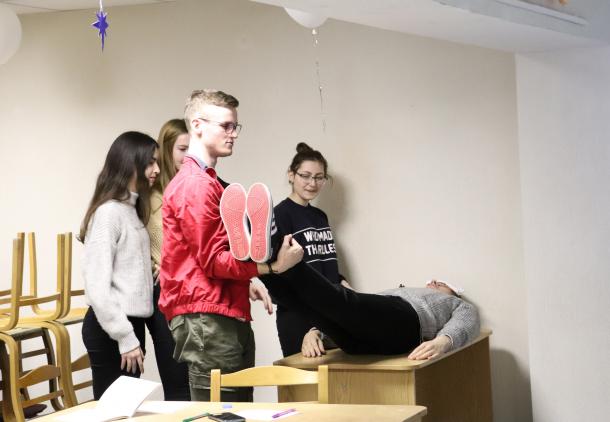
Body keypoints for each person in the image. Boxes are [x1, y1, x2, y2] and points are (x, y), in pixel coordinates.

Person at [219, 186, 481, 360]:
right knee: (308, 307)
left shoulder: (451, 303)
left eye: (442, 284)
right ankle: (258, 256)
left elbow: (469, 316)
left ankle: (270, 244)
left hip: (408, 325)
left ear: (452, 294)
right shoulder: (400, 293)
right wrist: (316, 332)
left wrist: (444, 341)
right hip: (360, 344)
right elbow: (352, 316)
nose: (432, 282)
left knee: (340, 300)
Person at [158, 89, 302, 401]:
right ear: (197, 126)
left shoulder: (209, 182)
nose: (233, 134)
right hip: (207, 317)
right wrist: (272, 267)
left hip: (221, 310)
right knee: (219, 413)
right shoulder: (195, 185)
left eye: (235, 126)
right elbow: (213, 261)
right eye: (226, 126)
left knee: (237, 409)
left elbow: (210, 256)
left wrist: (248, 279)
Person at [80, 131, 160, 399]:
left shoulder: (131, 210)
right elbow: (96, 287)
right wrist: (124, 336)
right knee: (113, 412)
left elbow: (128, 269)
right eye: (150, 162)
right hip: (111, 329)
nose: (156, 170)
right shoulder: (109, 213)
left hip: (128, 326)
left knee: (125, 411)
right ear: (130, 163)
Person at [272, 142, 353, 357]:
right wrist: (309, 325)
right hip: (298, 316)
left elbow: (322, 262)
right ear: (291, 175)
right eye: (305, 176)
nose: (312, 183)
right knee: (303, 378)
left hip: (329, 311)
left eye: (319, 177)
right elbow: (279, 275)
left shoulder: (320, 216)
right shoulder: (280, 215)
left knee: (335, 376)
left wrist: (341, 282)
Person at [144, 119, 190, 400]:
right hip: (165, 298)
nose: (188, 156)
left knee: (202, 382)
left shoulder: (193, 190)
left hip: (193, 294)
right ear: (165, 150)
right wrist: (155, 266)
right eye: (182, 149)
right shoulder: (149, 197)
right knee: (178, 384)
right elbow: (134, 243)